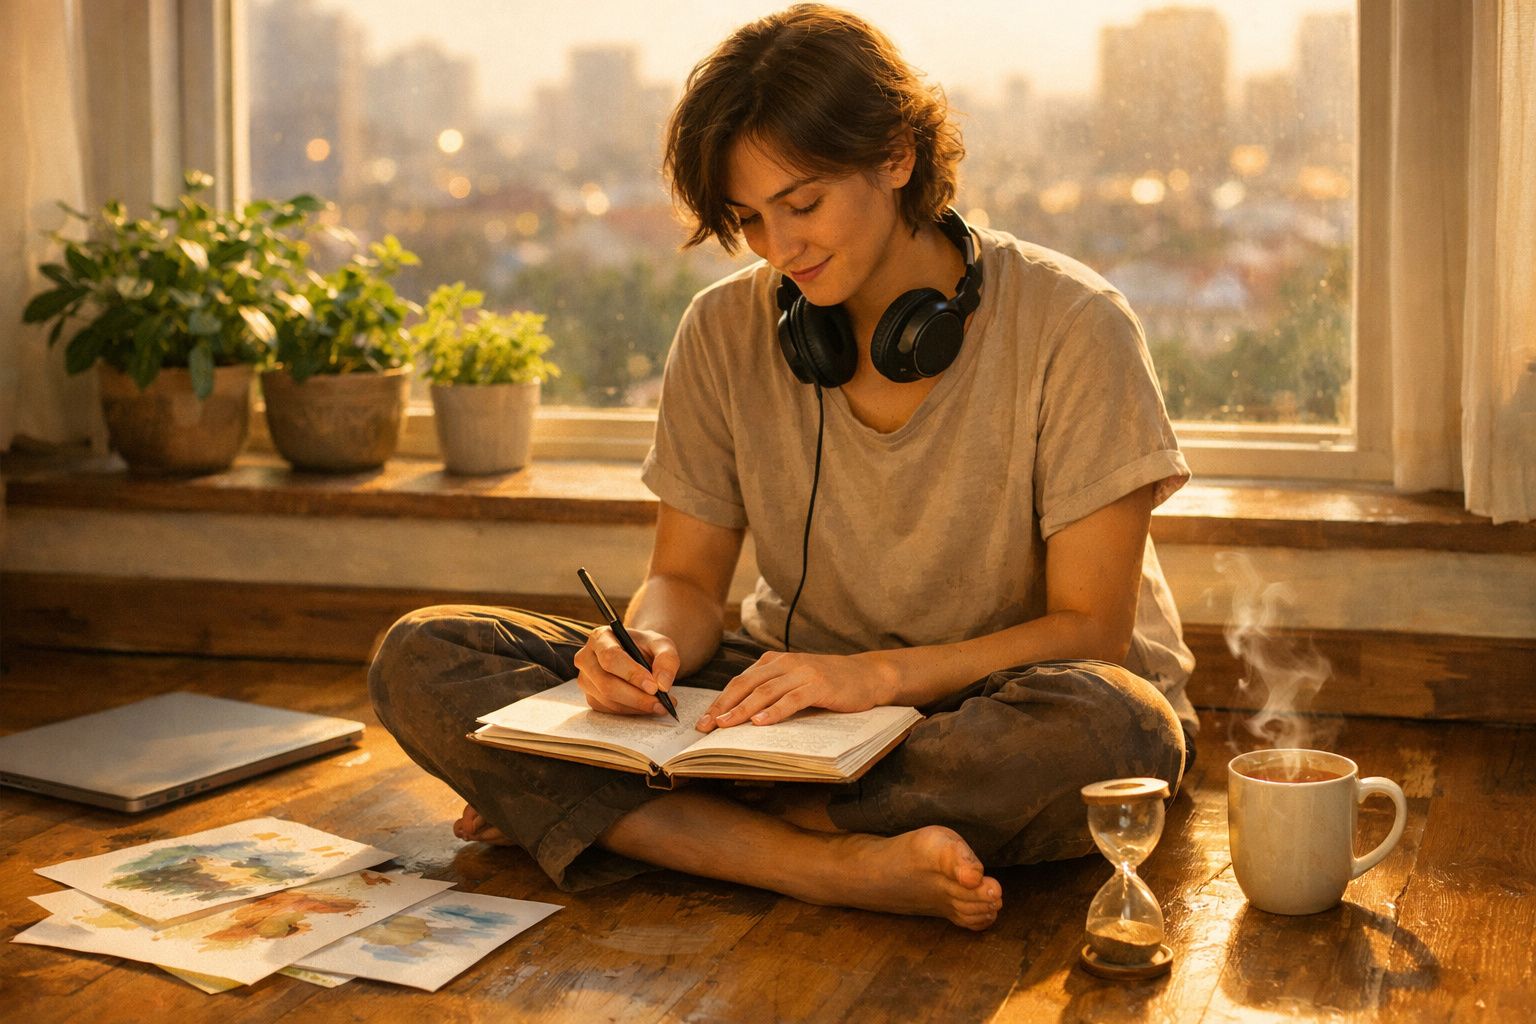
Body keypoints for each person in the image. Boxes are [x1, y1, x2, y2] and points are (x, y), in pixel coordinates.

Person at [369, 3, 1195, 932]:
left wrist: (876, 680)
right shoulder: (724, 329)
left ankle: (621, 820)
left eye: (801, 204)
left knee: (1120, 729)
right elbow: (684, 578)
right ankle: (822, 865)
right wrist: (645, 652)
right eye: (748, 219)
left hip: (990, 703)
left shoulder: (1076, 325)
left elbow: (1091, 633)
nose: (779, 248)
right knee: (425, 654)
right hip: (780, 707)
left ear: (896, 155)